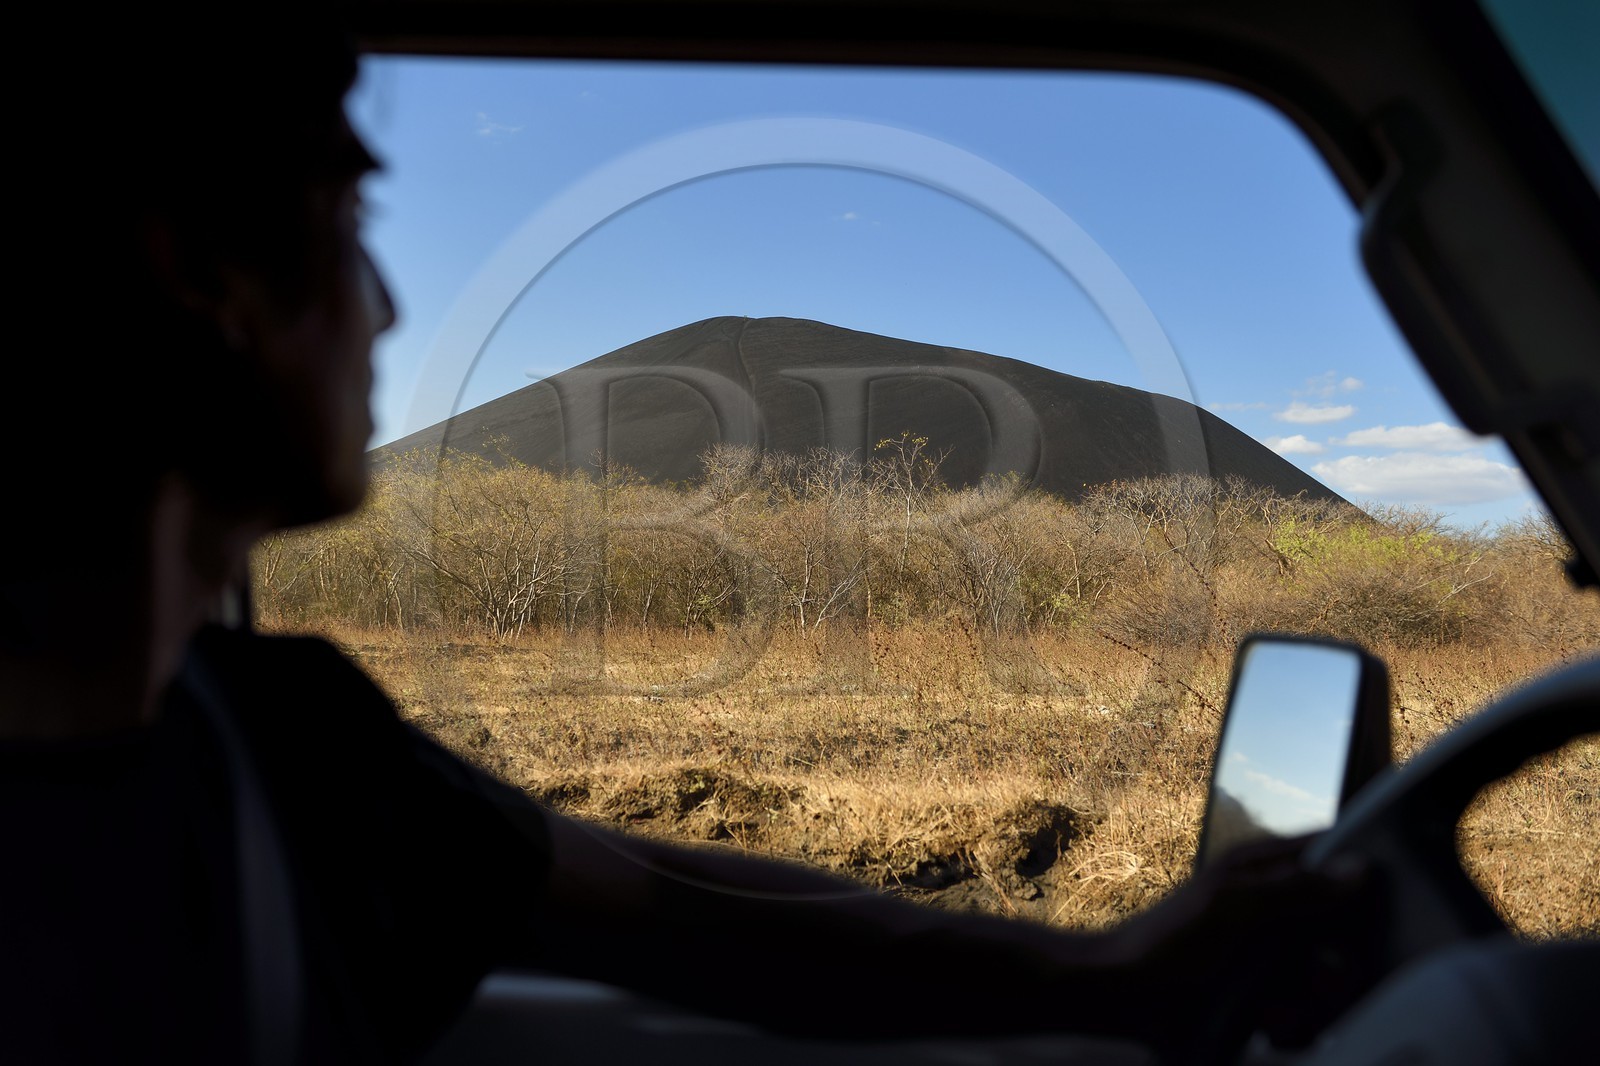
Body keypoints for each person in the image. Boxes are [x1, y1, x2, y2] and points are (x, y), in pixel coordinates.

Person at [0, 10, 1368, 1065]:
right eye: (351, 220)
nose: (393, 306)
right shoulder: (280, 756)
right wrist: (1117, 972)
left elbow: (680, 907)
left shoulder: (292, 746)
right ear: (201, 271)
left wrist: (1116, 971)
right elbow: (670, 914)